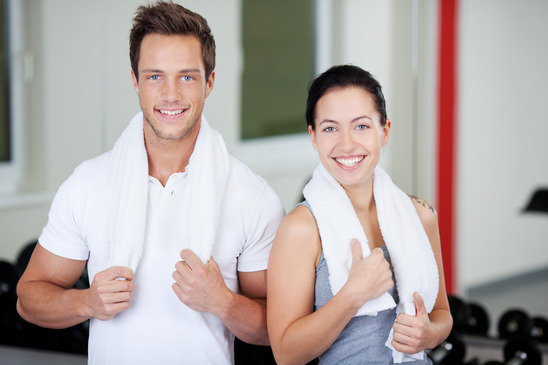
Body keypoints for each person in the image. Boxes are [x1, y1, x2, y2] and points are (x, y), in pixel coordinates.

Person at [16, 1, 284, 364]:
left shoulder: (251, 196)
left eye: (187, 76)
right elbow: (28, 299)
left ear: (210, 82)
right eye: (155, 76)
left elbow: (278, 329)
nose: (171, 94)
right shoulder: (88, 183)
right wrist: (87, 302)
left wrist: (223, 302)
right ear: (135, 82)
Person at [267, 65, 452, 364]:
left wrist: (428, 335)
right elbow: (286, 353)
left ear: (385, 131)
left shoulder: (420, 214)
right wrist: (353, 294)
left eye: (361, 126)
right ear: (313, 137)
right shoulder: (301, 228)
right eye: (330, 128)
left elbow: (442, 313)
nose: (347, 143)